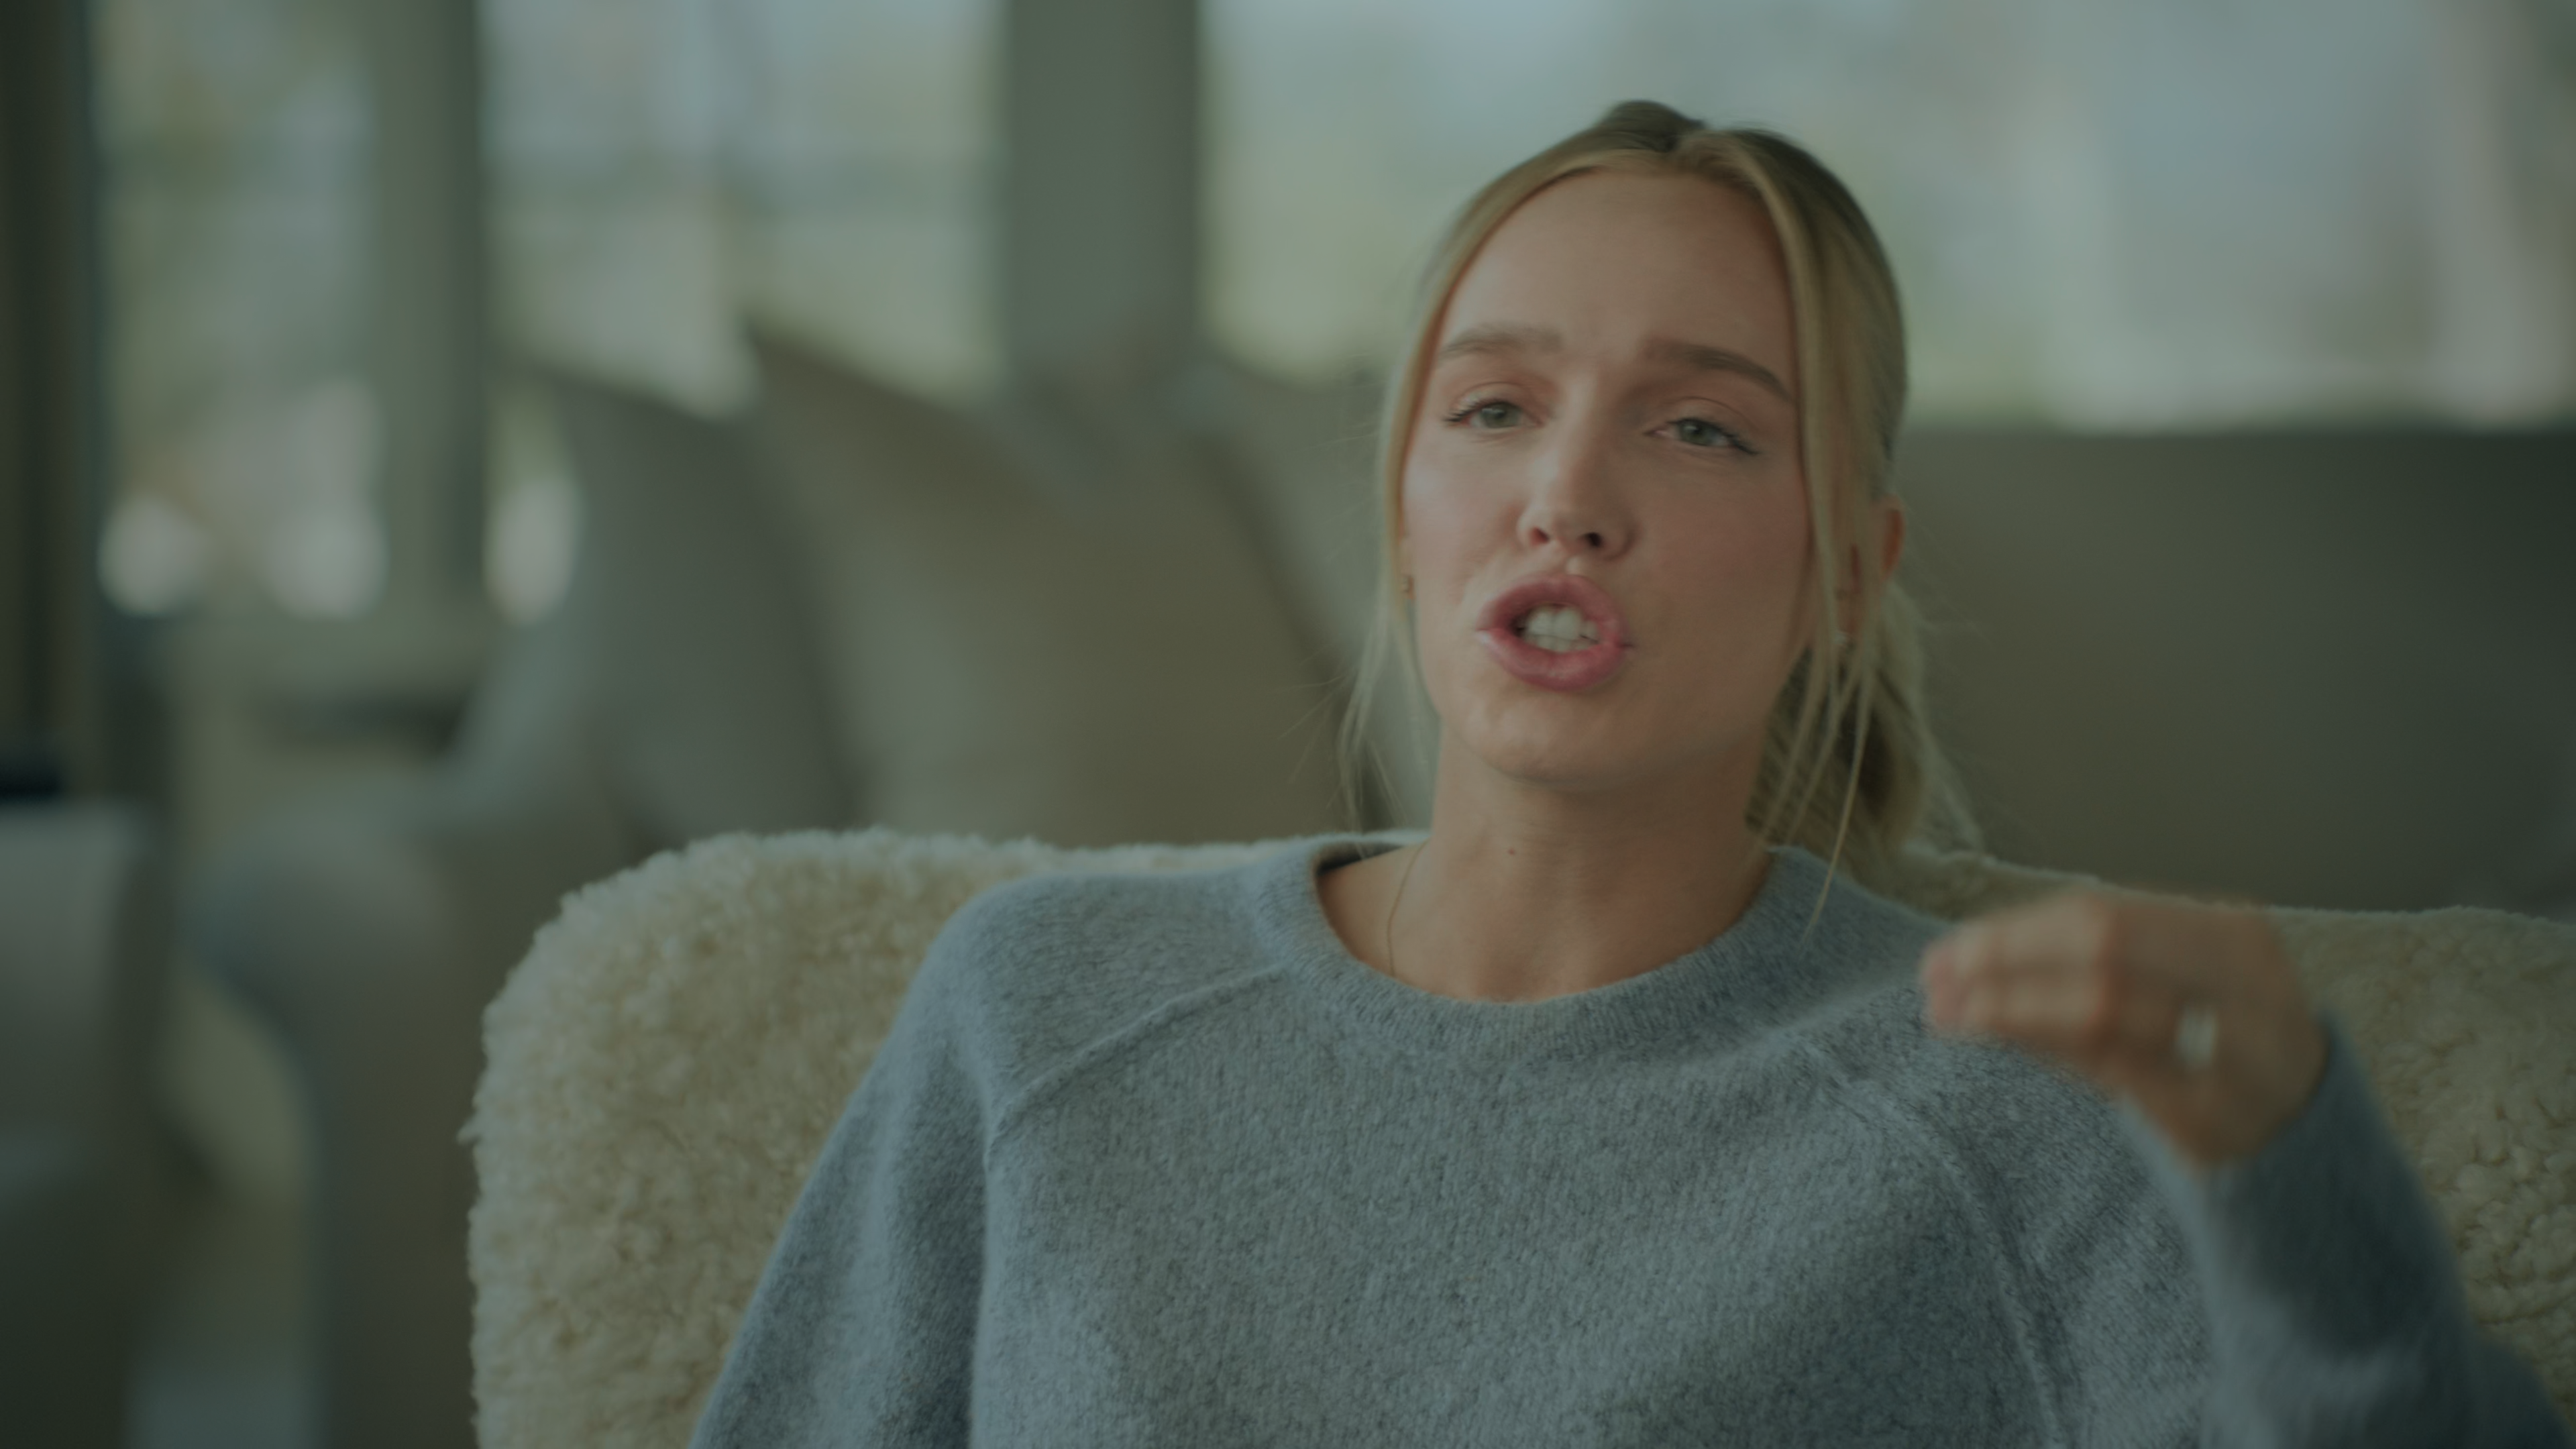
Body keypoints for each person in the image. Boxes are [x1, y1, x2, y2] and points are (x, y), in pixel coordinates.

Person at [690, 101, 2567, 1444]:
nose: (1568, 499)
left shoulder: (2015, 1118)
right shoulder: (1037, 1006)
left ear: (1850, 573)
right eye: (1494, 407)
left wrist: (2302, 1177)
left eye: (1700, 430)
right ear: (1404, 511)